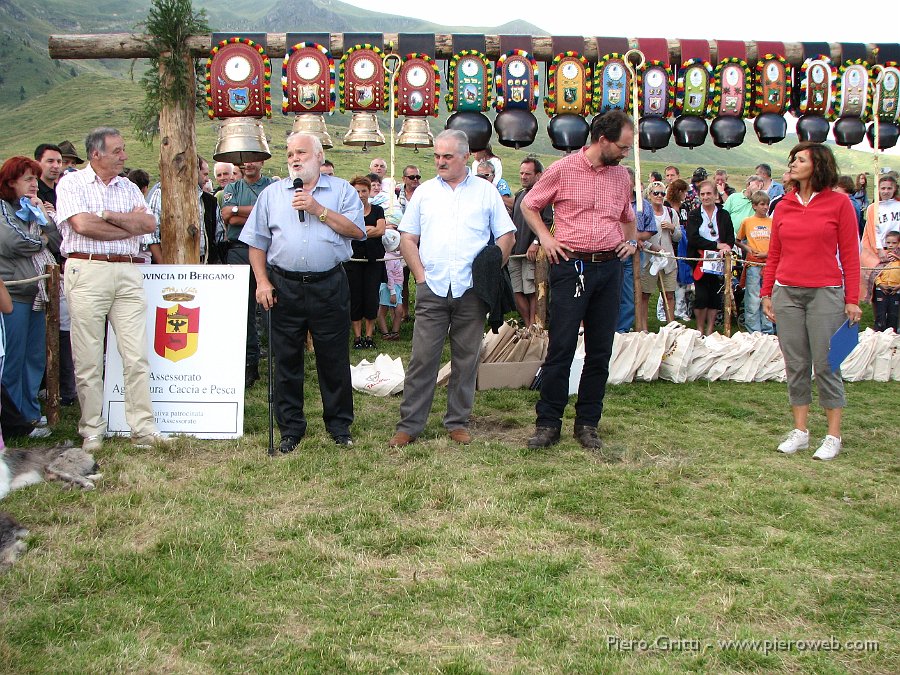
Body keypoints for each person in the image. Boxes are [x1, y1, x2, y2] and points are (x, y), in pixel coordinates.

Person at [239, 132, 365, 452]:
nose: (294, 158)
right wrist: (263, 281)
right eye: (290, 153)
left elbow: (357, 231)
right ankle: (290, 429)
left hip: (329, 285)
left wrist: (317, 209)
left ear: (319, 158)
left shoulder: (342, 191)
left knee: (333, 358)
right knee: (286, 361)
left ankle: (339, 426)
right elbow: (256, 243)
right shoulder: (272, 194)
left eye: (302, 153)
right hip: (284, 286)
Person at [389, 129, 515, 448]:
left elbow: (507, 236)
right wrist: (419, 276)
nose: (440, 162)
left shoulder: (486, 193)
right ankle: (410, 425)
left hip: (471, 290)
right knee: (422, 358)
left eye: (447, 156)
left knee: (466, 359)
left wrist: (488, 271)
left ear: (466, 157)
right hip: (432, 287)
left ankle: (457, 421)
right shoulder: (425, 192)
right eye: (437, 156)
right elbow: (407, 238)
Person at [522, 110, 639, 450]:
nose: (625, 152)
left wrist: (630, 243)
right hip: (570, 266)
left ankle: (588, 424)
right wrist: (546, 238)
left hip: (609, 269)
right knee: (561, 347)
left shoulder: (621, 177)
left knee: (601, 350)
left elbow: (627, 217)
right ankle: (548, 423)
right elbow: (531, 204)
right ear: (602, 140)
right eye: (622, 146)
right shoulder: (563, 169)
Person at [54, 127, 169, 452]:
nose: (124, 156)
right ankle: (92, 429)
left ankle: (143, 429)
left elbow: (148, 225)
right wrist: (124, 224)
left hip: (128, 270)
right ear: (96, 154)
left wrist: (106, 216)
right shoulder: (71, 183)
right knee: (88, 355)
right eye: (117, 151)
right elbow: (82, 226)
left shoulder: (129, 187)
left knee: (136, 354)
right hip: (87, 267)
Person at [761, 141, 861, 461]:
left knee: (827, 363)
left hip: (826, 293)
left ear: (817, 165)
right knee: (796, 364)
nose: (792, 164)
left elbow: (850, 254)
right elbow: (773, 253)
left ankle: (833, 436)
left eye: (799, 159)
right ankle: (801, 431)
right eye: (792, 159)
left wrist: (853, 299)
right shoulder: (784, 205)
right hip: (786, 292)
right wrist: (766, 292)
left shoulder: (839, 204)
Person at [0, 156, 61, 428]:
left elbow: (60, 242)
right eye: (27, 179)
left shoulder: (35, 209)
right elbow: (14, 242)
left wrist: (45, 219)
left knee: (34, 358)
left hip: (36, 293)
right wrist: (43, 239)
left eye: (36, 179)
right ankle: (13, 420)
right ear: (10, 182)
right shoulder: (3, 209)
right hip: (13, 295)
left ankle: (31, 414)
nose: (34, 184)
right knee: (12, 359)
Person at [222, 160, 275, 387]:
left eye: (254, 159)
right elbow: (228, 216)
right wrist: (257, 213)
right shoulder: (232, 188)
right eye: (245, 161)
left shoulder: (271, 187)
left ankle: (277, 362)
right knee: (243, 312)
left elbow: (273, 214)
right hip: (238, 251)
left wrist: (238, 211)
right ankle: (250, 364)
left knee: (271, 309)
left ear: (262, 161)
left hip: (268, 252)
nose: (249, 164)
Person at [686, 180, 735, 336]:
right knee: (701, 295)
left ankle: (710, 328)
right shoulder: (694, 214)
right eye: (702, 194)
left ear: (715, 195)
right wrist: (716, 246)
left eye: (709, 194)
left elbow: (729, 237)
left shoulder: (723, 214)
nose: (705, 197)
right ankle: (700, 327)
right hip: (699, 259)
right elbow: (693, 238)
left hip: (718, 261)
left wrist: (725, 247)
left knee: (714, 295)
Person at [510, 157, 552, 327]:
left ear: (538, 175)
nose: (523, 176)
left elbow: (548, 221)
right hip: (515, 251)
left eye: (528, 173)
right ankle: (528, 325)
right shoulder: (520, 194)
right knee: (516, 290)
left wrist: (536, 242)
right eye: (521, 173)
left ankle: (535, 326)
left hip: (532, 252)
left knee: (532, 289)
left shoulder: (544, 195)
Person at [345, 175, 386, 349]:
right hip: (353, 261)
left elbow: (381, 230)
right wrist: (368, 230)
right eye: (357, 191)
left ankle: (369, 336)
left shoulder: (377, 210)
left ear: (369, 192)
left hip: (373, 261)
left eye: (364, 191)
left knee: (371, 297)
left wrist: (359, 231)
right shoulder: (347, 211)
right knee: (355, 297)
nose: (361, 194)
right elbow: (346, 231)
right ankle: (357, 336)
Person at [618, 167, 657, 332]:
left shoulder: (643, 205)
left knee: (629, 293)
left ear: (633, 183)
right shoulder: (611, 200)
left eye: (627, 181)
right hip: (613, 251)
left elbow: (651, 229)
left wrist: (636, 238)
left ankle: (622, 329)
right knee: (609, 293)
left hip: (634, 255)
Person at [639, 181, 681, 328]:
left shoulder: (671, 212)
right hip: (649, 259)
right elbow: (638, 236)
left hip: (668, 259)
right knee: (645, 294)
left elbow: (678, 237)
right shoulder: (644, 211)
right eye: (656, 193)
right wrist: (651, 246)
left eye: (662, 193)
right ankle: (643, 327)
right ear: (649, 195)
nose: (659, 196)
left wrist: (672, 228)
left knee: (669, 294)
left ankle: (671, 325)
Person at [735, 191, 774, 334]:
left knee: (768, 296)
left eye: (767, 204)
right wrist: (748, 248)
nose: (765, 207)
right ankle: (754, 331)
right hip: (753, 263)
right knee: (753, 296)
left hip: (769, 263)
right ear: (754, 206)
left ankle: (768, 330)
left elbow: (778, 244)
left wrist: (767, 254)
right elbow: (738, 240)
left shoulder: (772, 222)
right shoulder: (747, 221)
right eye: (762, 204)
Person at [860, 173, 900, 303]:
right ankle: (879, 320)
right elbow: (872, 231)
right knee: (878, 287)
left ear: (895, 189)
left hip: (897, 249)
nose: (886, 191)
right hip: (880, 251)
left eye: (889, 188)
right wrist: (880, 250)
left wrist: (896, 252)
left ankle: (895, 321)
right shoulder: (873, 208)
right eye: (883, 188)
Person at [667, 178, 694, 320]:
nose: (686, 195)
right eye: (684, 192)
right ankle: (663, 309)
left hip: (683, 244)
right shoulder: (666, 206)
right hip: (670, 244)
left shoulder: (684, 208)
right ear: (679, 192)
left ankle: (681, 309)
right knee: (669, 279)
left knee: (682, 278)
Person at [872, 230, 900, 331]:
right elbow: (875, 272)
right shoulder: (881, 257)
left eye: (894, 243)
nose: (891, 245)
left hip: (895, 291)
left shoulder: (898, 260)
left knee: (893, 315)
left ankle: (892, 336)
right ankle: (879, 334)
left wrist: (898, 286)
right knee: (880, 314)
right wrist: (879, 284)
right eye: (888, 243)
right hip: (881, 290)